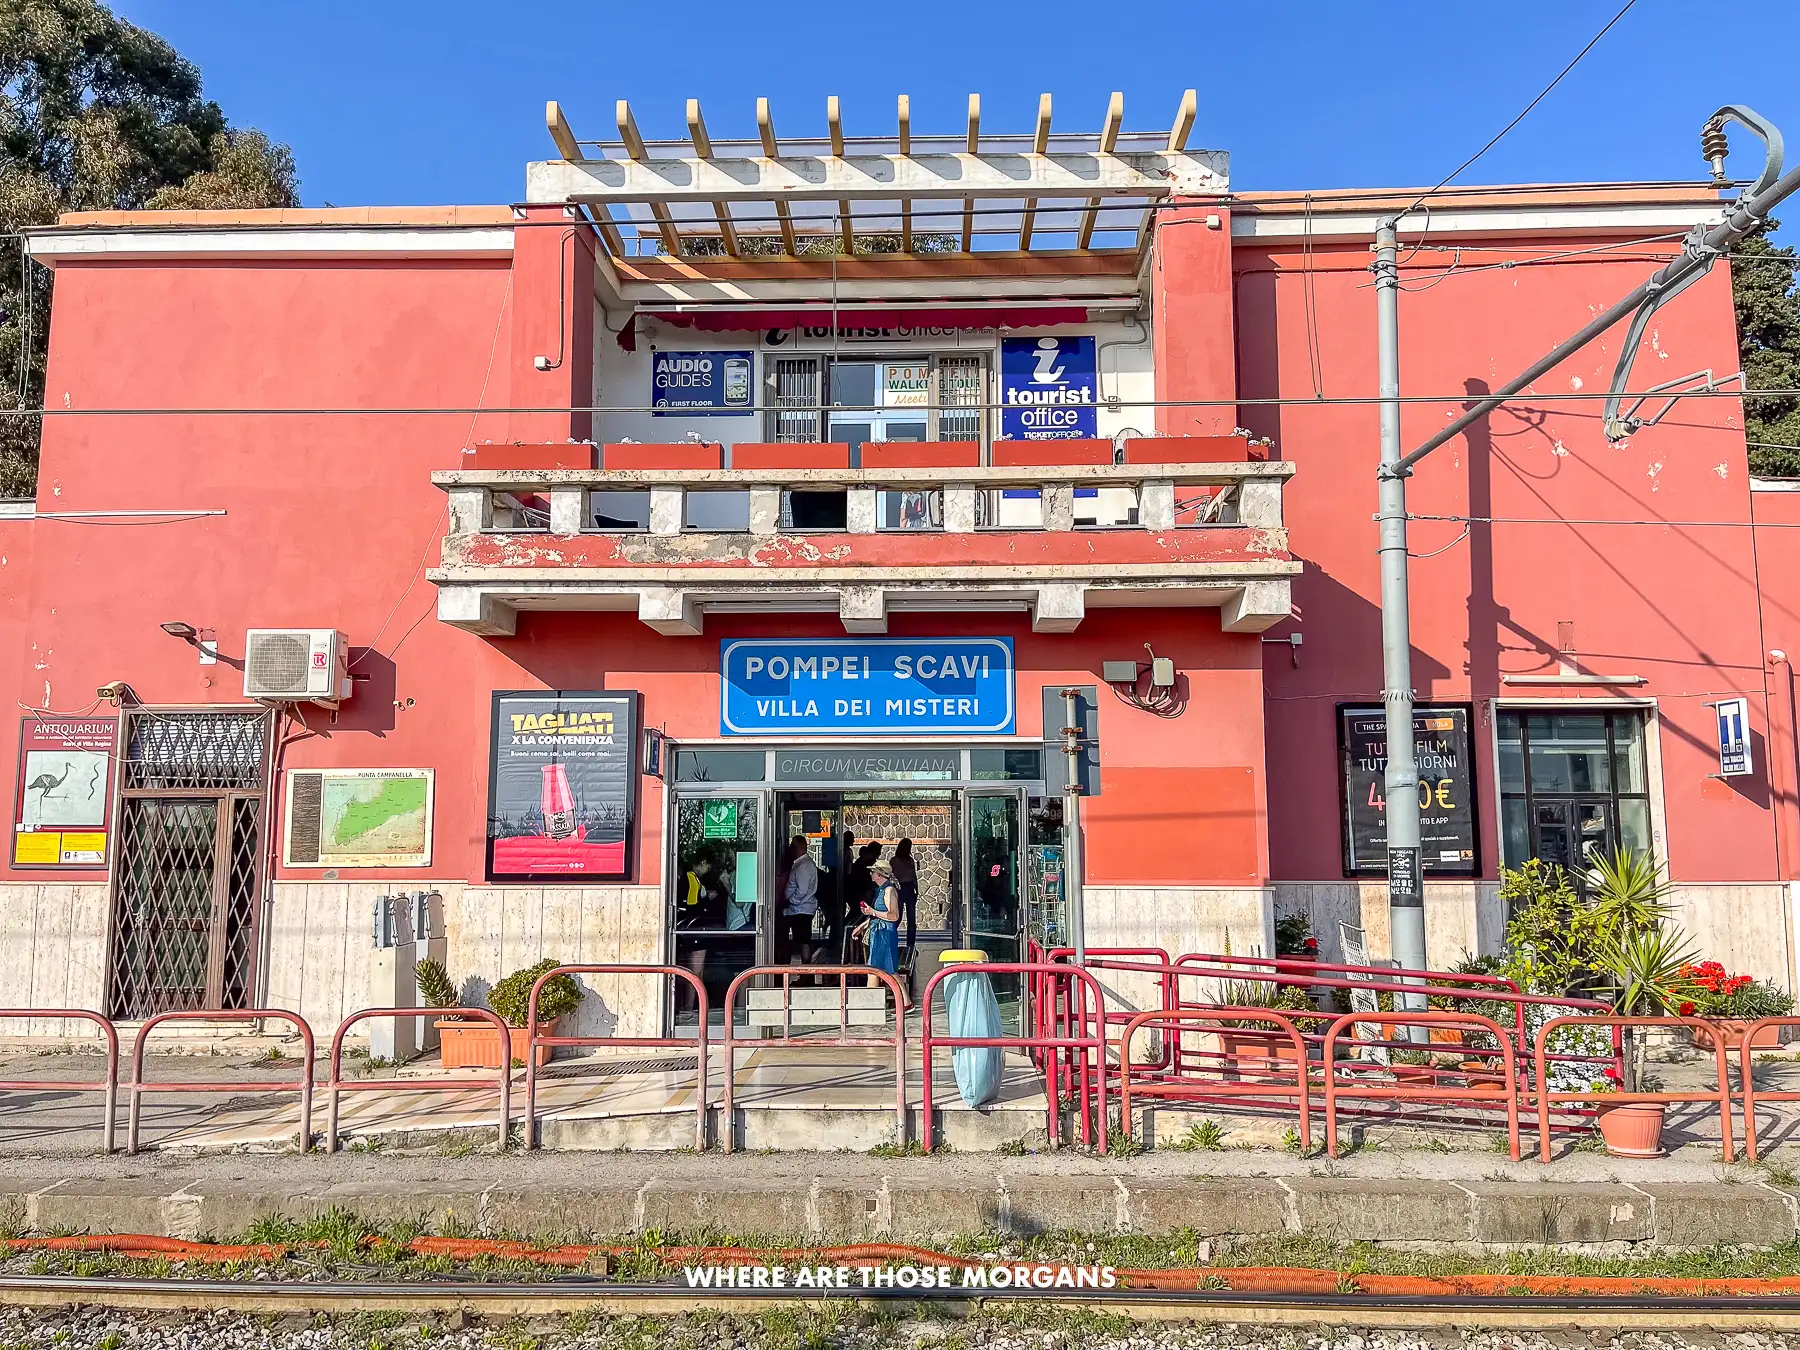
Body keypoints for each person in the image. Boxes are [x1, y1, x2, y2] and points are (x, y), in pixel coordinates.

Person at [856, 859, 907, 1007]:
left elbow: (894, 915)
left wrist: (872, 912)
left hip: (884, 934)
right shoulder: (881, 890)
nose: (871, 874)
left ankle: (871, 1005)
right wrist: (863, 924)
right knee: (882, 969)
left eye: (873, 872)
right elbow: (878, 915)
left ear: (879, 874)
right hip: (879, 933)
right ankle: (904, 1002)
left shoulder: (889, 891)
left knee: (878, 968)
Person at [781, 835, 819, 966]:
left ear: (798, 847)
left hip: (801, 909)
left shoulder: (803, 866)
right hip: (798, 909)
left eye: (792, 846)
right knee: (802, 940)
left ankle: (806, 971)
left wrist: (791, 901)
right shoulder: (801, 864)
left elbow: (802, 890)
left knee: (803, 941)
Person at [890, 838, 918, 959]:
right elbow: (891, 875)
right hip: (901, 888)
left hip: (908, 888)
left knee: (911, 919)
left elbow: (913, 876)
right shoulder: (895, 860)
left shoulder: (909, 860)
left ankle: (910, 944)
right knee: (898, 916)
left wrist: (916, 889)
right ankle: (893, 940)